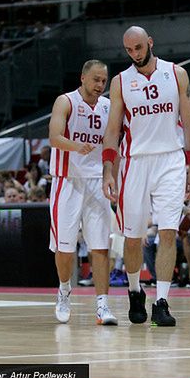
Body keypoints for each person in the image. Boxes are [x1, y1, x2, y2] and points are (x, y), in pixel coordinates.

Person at [102, 26, 190, 327]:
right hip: (135, 162)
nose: (135, 54)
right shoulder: (121, 82)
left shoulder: (177, 74)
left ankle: (162, 301)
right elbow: (113, 130)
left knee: (169, 232)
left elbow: (189, 122)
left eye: (139, 47)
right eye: (129, 50)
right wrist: (109, 169)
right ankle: (134, 291)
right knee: (133, 239)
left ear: (150, 43)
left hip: (170, 160)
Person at [49, 59, 118, 325]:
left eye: (104, 80)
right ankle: (65, 290)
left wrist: (112, 175)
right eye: (96, 80)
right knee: (65, 248)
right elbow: (54, 137)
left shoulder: (109, 107)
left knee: (100, 246)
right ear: (83, 78)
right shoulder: (65, 101)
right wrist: (76, 146)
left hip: (97, 183)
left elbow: (113, 144)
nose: (100, 85)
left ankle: (103, 305)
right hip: (67, 181)